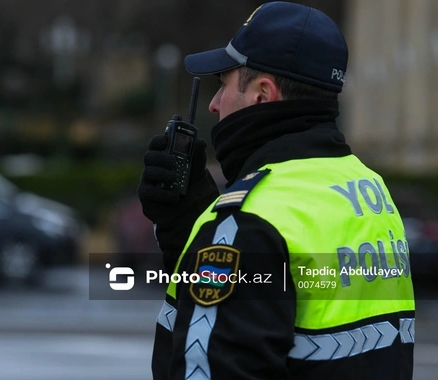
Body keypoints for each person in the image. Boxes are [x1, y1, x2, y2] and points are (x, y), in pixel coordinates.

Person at [137, 2, 415, 379]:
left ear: (262, 95)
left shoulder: (248, 221)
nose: (216, 105)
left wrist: (219, 235)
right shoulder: (368, 188)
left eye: (224, 85)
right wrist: (188, 232)